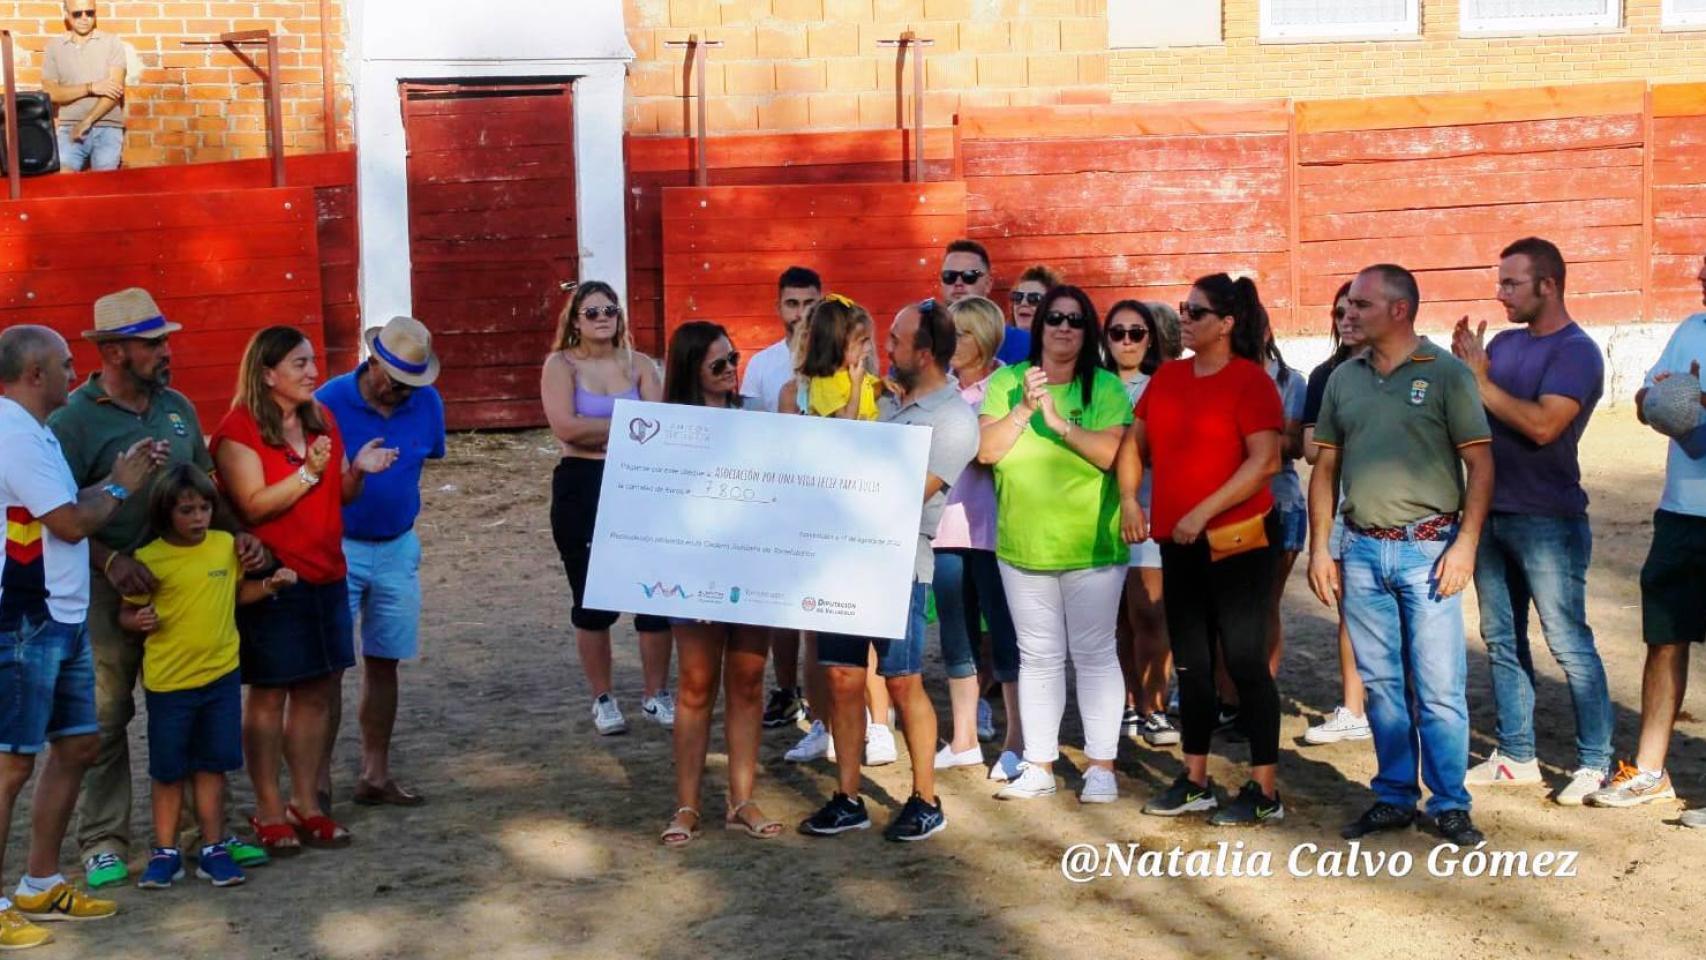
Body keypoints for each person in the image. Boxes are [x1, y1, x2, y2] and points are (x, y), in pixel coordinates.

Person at [49, 287, 268, 890]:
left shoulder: (176, 407)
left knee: (196, 697)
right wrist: (111, 558)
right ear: (115, 352)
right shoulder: (72, 421)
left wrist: (240, 537)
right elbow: (54, 513)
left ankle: (205, 836)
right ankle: (102, 840)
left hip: (184, 577)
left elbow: (202, 485)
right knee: (105, 714)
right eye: (153, 344)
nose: (166, 351)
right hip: (104, 584)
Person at [1308, 264, 1493, 847]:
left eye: (1361, 304)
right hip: (1361, 549)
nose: (1348, 313)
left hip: (1430, 549)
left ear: (1399, 310)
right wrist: (1321, 547)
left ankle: (1449, 803)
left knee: (1438, 687)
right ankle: (1393, 795)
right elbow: (1325, 468)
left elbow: (1482, 463)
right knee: (1383, 687)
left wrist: (1464, 543)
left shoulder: (1445, 374)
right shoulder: (1344, 378)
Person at [212, 326, 398, 855]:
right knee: (269, 694)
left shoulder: (323, 419)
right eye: (299, 363)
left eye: (312, 361)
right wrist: (309, 476)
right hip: (276, 576)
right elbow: (252, 506)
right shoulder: (238, 431)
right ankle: (269, 807)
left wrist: (357, 471)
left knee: (317, 691)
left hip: (326, 571)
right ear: (267, 373)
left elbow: (338, 491)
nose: (313, 372)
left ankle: (306, 803)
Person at [798, 299, 979, 841]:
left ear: (923, 353)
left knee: (901, 681)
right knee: (841, 676)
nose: (885, 349)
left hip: (900, 561)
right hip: (842, 557)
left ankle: (925, 797)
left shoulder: (953, 419)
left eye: (897, 341)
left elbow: (905, 495)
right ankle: (847, 797)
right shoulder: (889, 401)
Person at [0, 325, 153, 947]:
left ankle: (39, 883)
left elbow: (62, 504)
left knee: (78, 746)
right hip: (23, 617)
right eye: (65, 365)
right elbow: (67, 523)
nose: (74, 373)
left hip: (55, 612)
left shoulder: (32, 432)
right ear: (36, 373)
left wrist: (115, 476)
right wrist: (122, 485)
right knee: (10, 765)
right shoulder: (12, 434)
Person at [1449, 237, 1610, 806]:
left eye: (1512, 283)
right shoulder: (1509, 346)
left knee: (1567, 641)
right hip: (1491, 510)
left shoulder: (1578, 351)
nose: (1501, 293)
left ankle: (1595, 762)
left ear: (1549, 285)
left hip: (1549, 518)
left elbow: (1543, 426)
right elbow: (1473, 416)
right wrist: (1464, 377)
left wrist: (1479, 381)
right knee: (1500, 638)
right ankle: (1517, 755)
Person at [1120, 275, 1285, 825]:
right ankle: (1195, 779)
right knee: (1191, 663)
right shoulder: (1167, 378)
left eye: (1195, 310)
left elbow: (1264, 461)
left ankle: (1264, 789)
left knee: (1242, 660)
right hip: (1177, 540)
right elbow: (1133, 446)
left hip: (1238, 542)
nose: (1183, 317)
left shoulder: (1250, 382)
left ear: (1227, 323)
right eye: (1183, 309)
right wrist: (1128, 498)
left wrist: (1201, 512)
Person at [978, 285, 1132, 803]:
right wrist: (1023, 408)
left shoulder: (1105, 388)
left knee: (1094, 654)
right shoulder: (1005, 382)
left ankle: (1101, 767)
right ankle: (1040, 763)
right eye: (1054, 319)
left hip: (1091, 546)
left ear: (1088, 333)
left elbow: (1112, 455)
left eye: (1075, 321)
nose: (1064, 328)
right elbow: (987, 451)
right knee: (1038, 657)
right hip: (1023, 545)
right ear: (1039, 327)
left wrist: (1060, 424)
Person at [119, 466, 298, 890]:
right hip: (169, 685)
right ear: (165, 514)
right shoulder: (149, 560)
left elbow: (237, 596)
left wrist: (270, 585)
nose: (198, 517)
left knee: (213, 766)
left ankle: (214, 847)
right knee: (167, 770)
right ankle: (165, 853)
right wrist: (136, 619)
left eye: (204, 508)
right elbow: (126, 611)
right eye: (187, 510)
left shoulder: (224, 547)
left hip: (220, 680)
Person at [1587, 253, 1706, 823]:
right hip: (1681, 512)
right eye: (1704, 267)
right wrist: (1658, 400)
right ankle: (1651, 770)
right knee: (1665, 638)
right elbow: (1642, 401)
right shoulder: (1690, 329)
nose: (1702, 278)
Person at [657, 322, 781, 846]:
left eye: (734, 358)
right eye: (719, 365)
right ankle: (687, 804)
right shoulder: (668, 429)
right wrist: (695, 578)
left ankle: (742, 799)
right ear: (692, 371)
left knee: (750, 682)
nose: (733, 371)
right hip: (693, 572)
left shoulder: (756, 418)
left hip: (753, 568)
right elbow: (662, 511)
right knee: (695, 685)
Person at [315, 317, 446, 807]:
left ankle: (375, 771)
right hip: (338, 543)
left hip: (397, 542)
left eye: (413, 383)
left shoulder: (426, 403)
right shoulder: (328, 401)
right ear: (373, 362)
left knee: (385, 659)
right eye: (396, 381)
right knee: (328, 665)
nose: (403, 392)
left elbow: (425, 457)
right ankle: (317, 778)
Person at [540, 282, 674, 736]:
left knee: (655, 593)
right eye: (592, 310)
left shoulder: (640, 364)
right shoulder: (560, 365)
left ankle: (655, 695)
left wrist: (601, 427)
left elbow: (662, 425)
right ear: (575, 319)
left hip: (640, 483)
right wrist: (631, 425)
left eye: (610, 309)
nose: (602, 317)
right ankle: (603, 698)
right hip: (583, 482)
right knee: (592, 595)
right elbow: (566, 427)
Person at [779, 295, 896, 767]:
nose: (867, 350)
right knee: (816, 631)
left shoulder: (877, 388)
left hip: (863, 521)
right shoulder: (799, 391)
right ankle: (823, 721)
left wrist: (860, 387)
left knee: (864, 627)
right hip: (814, 521)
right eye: (860, 341)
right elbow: (821, 443)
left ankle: (879, 724)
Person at [931, 296, 1024, 779]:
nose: (952, 343)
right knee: (957, 636)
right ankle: (964, 738)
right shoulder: (940, 389)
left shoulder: (1006, 386)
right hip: (946, 528)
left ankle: (1016, 741)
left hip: (996, 530)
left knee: (1005, 637)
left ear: (984, 339)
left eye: (961, 334)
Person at [739, 267, 822, 731]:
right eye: (792, 304)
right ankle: (787, 688)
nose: (801, 313)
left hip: (825, 496)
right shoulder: (763, 365)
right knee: (779, 605)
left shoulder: (840, 360)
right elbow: (752, 432)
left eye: (809, 303)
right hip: (777, 494)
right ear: (778, 308)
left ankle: (817, 693)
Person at [1104, 300, 1181, 748]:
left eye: (1137, 332)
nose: (1127, 341)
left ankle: (1156, 705)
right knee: (1118, 619)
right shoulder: (1091, 386)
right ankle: (1131, 703)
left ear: (1151, 338)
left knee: (1150, 609)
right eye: (1118, 332)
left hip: (1150, 508)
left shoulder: (1164, 385)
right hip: (1097, 513)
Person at [1300, 282, 1371, 746]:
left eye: (1355, 309)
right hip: (1344, 501)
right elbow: (1309, 449)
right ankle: (1353, 706)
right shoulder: (1325, 375)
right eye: (1338, 311)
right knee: (1351, 610)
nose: (1345, 319)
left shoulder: (1409, 370)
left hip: (1390, 506)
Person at [41, 1, 126, 172]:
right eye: (77, 14)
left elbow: (114, 91)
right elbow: (51, 93)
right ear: (66, 14)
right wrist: (91, 87)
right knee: (64, 184)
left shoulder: (111, 42)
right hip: (70, 128)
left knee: (105, 189)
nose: (84, 18)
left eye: (90, 13)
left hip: (107, 126)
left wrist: (87, 121)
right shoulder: (55, 47)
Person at [1000, 265, 1057, 366]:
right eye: (1017, 297)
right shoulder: (998, 342)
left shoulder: (1061, 348)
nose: (1023, 303)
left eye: (1034, 298)